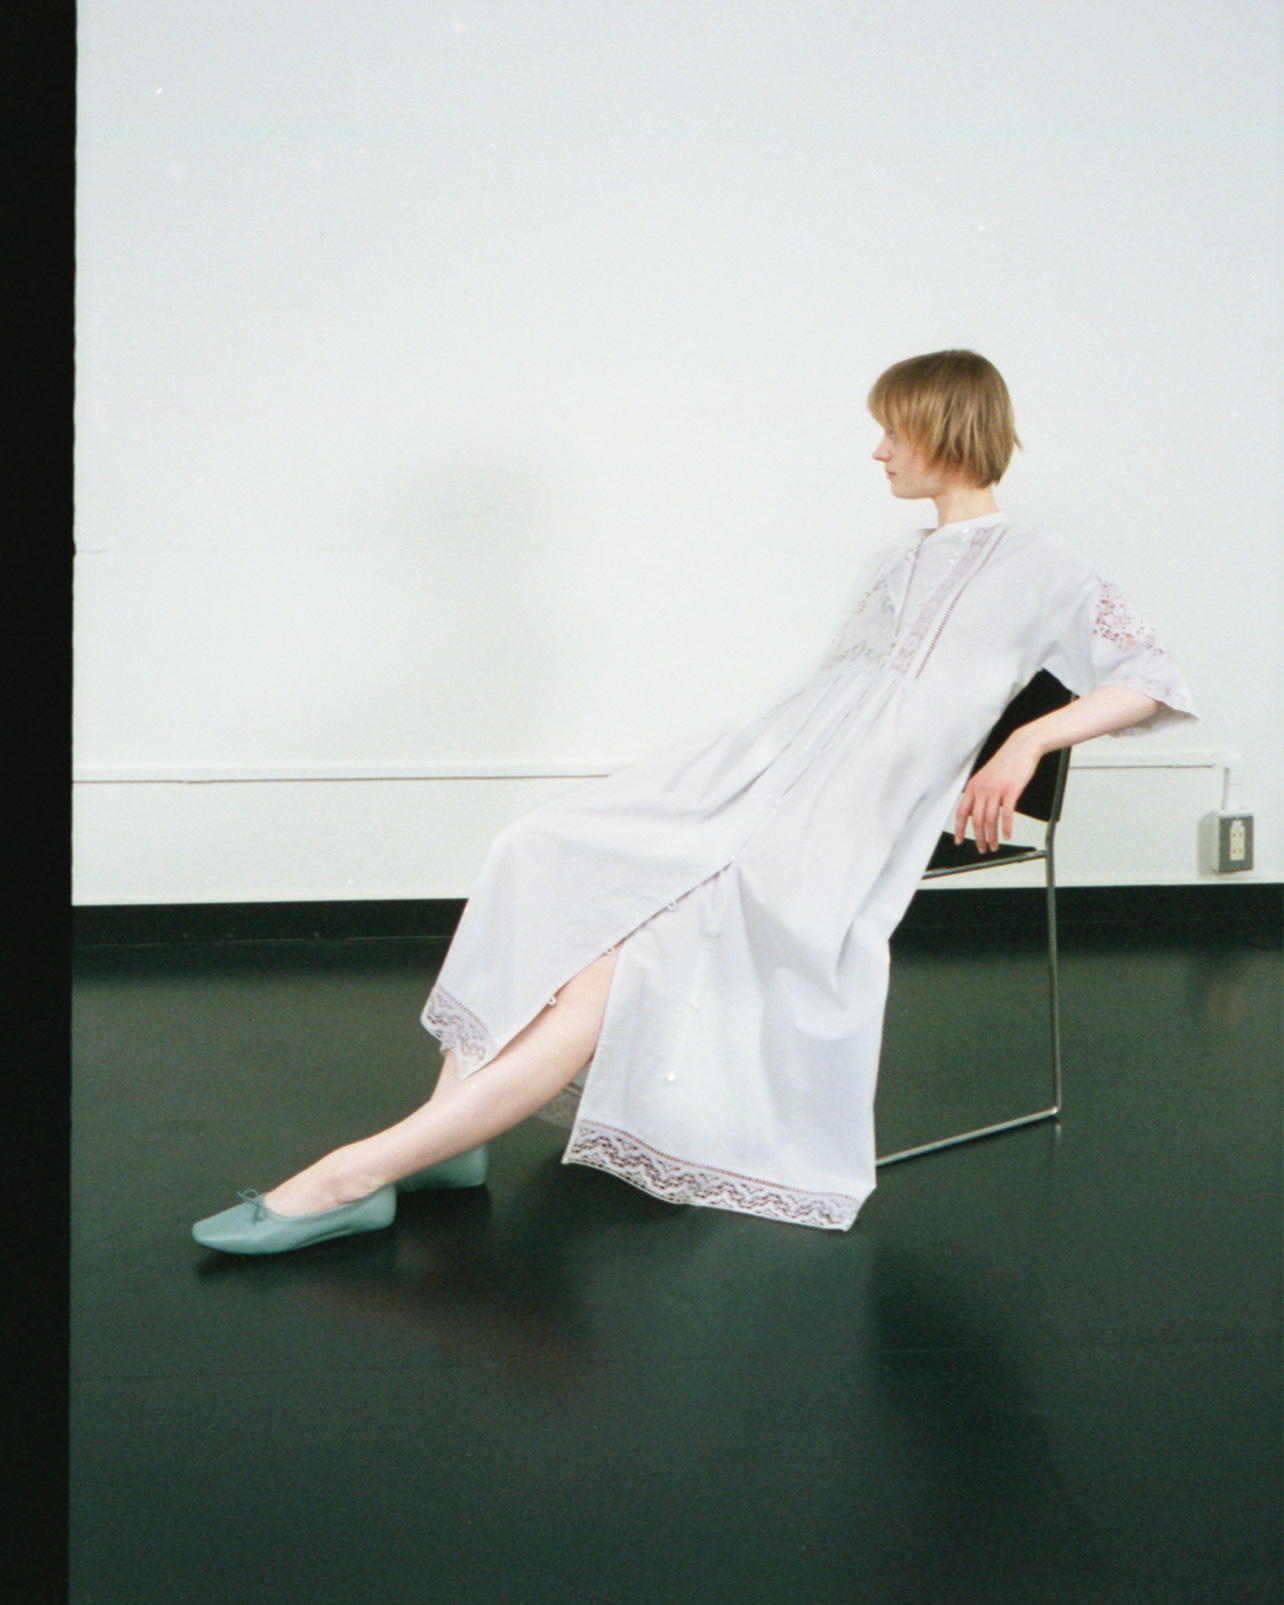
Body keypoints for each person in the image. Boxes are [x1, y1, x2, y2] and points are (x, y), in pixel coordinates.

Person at [192, 350, 1196, 1253]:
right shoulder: (891, 562)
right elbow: (839, 697)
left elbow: (1149, 677)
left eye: (894, 429)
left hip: (854, 813)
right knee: (541, 847)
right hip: (760, 772)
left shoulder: (1043, 563)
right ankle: (443, 1139)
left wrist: (1028, 738)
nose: (878, 451)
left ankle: (355, 1174)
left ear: (945, 428)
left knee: (621, 959)